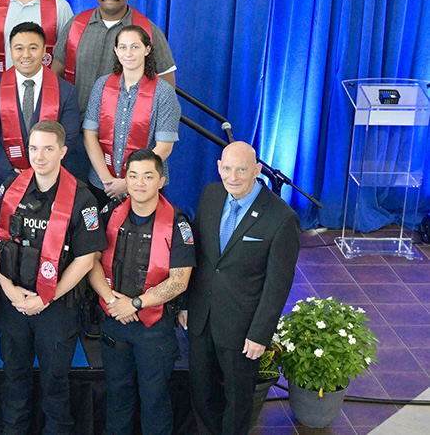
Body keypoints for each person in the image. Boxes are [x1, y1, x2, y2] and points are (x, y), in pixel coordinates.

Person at [0, 121, 106, 435]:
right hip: (14, 302)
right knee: (14, 378)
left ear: (63, 152)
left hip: (56, 306)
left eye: (48, 149)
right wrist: (10, 291)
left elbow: (86, 259)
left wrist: (46, 296)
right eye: (34, 148)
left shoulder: (82, 197)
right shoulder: (10, 188)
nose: (39, 156)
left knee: (55, 384)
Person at [185, 141, 299, 435]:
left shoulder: (282, 218)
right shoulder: (211, 194)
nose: (233, 176)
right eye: (227, 168)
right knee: (202, 392)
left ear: (257, 170)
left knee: (237, 400)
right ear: (219, 167)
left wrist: (260, 333)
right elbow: (197, 257)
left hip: (242, 328)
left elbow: (278, 285)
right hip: (201, 318)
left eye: (242, 169)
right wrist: (185, 304)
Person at [86, 149, 194, 435]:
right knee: (117, 398)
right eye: (132, 176)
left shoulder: (178, 223)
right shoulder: (109, 213)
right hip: (113, 320)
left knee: (154, 400)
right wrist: (111, 301)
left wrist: (135, 303)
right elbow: (91, 262)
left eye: (148, 176)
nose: (139, 183)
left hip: (154, 328)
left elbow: (179, 281)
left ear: (161, 180)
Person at [52, 0, 177, 111]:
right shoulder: (76, 25)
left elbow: (167, 83)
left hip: (123, 128)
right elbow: (55, 74)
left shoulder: (147, 30)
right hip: (75, 122)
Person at [0, 23, 80, 199]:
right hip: (3, 181)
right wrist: (11, 173)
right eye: (19, 48)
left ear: (44, 52)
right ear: (10, 51)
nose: (26, 55)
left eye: (33, 48)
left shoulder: (65, 90)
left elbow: (69, 138)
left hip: (50, 181)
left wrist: (42, 170)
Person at [83, 25, 181, 205]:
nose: (128, 53)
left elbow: (164, 147)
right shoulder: (102, 86)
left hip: (145, 187)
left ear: (147, 49)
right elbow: (90, 135)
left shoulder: (163, 92)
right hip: (103, 184)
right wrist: (107, 180)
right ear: (116, 51)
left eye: (135, 47)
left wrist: (129, 182)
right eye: (123, 47)